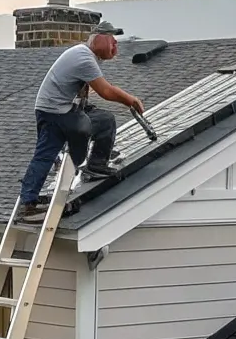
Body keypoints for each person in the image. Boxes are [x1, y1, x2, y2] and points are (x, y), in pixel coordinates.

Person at [17, 23, 146, 216]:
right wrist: (131, 100)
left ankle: (29, 201)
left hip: (50, 110)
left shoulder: (82, 54)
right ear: (99, 39)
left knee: (45, 155)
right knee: (102, 121)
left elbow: (82, 91)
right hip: (58, 113)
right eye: (112, 41)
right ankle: (91, 164)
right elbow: (106, 91)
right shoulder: (84, 58)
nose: (115, 47)